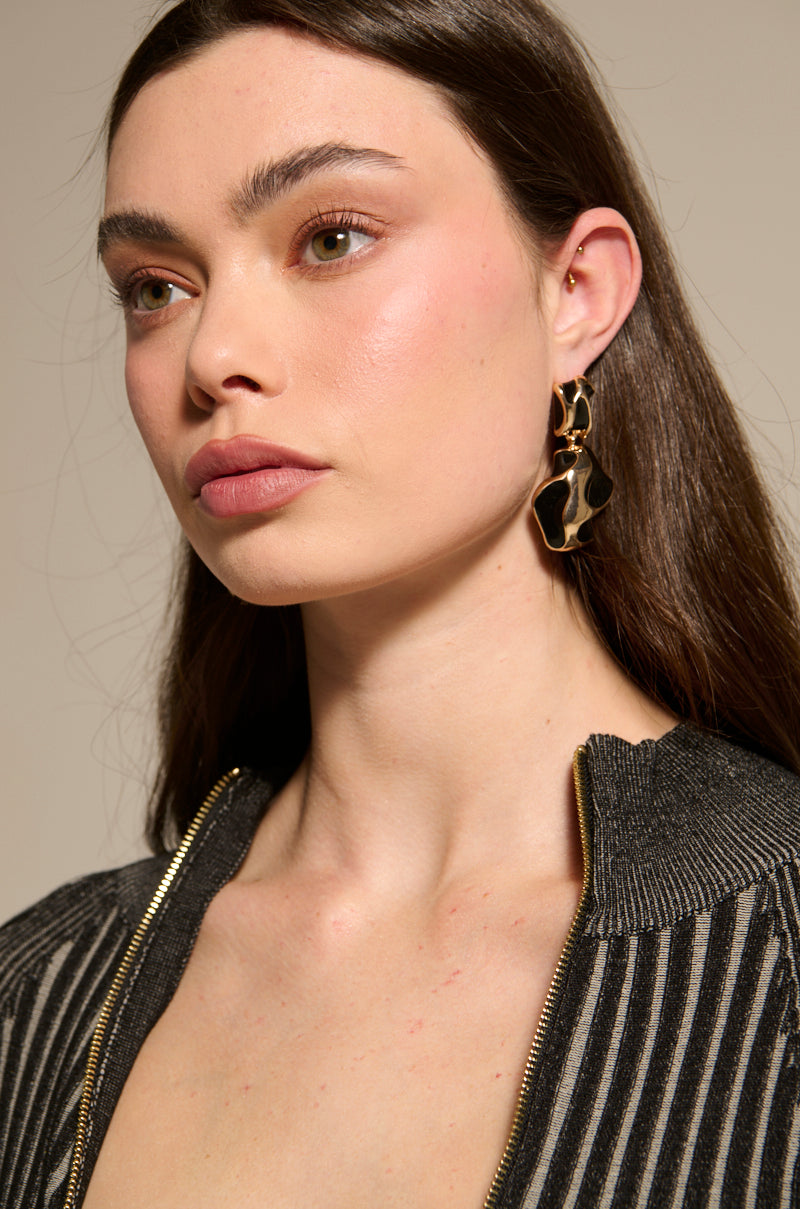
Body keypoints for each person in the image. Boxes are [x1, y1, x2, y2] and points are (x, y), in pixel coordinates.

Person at [2, 0, 800, 1205]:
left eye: (329, 238)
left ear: (575, 292)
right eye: (156, 285)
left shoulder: (776, 950)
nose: (214, 353)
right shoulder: (38, 999)